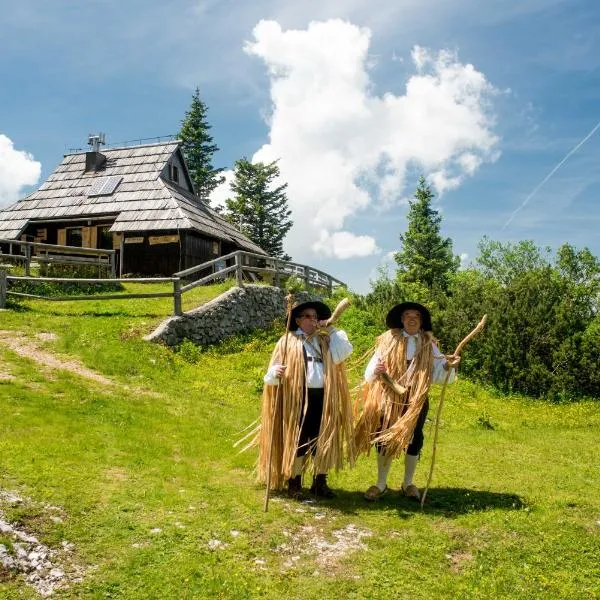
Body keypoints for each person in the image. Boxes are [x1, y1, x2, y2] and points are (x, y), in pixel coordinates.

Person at [354, 302, 460, 502]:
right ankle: (381, 484)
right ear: (401, 320)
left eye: (416, 316)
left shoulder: (429, 344)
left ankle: (408, 483)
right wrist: (376, 371)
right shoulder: (388, 341)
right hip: (390, 398)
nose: (412, 319)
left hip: (416, 399)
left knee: (415, 439)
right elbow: (370, 371)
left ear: (421, 321)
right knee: (385, 437)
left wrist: (448, 366)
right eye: (407, 315)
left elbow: (439, 375)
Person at [257, 300, 354, 500]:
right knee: (298, 440)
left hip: (324, 398)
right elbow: (269, 377)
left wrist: (332, 328)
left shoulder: (326, 341)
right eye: (309, 316)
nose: (314, 320)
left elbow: (343, 353)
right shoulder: (287, 341)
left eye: (316, 317)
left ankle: (319, 482)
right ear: (298, 320)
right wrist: (276, 372)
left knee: (322, 439)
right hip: (297, 398)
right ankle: (295, 482)